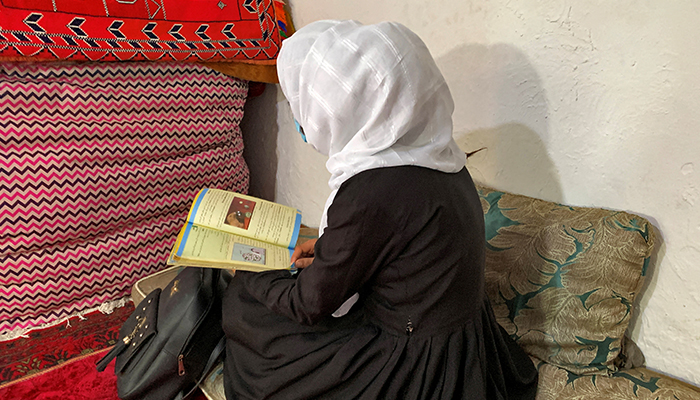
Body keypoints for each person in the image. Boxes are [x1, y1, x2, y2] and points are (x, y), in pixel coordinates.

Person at [221, 20, 538, 399]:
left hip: (417, 365)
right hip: (465, 340)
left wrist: (249, 275)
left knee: (243, 307)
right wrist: (327, 249)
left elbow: (310, 304)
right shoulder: (442, 157)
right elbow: (399, 247)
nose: (301, 118)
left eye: (302, 105)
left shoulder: (368, 191)